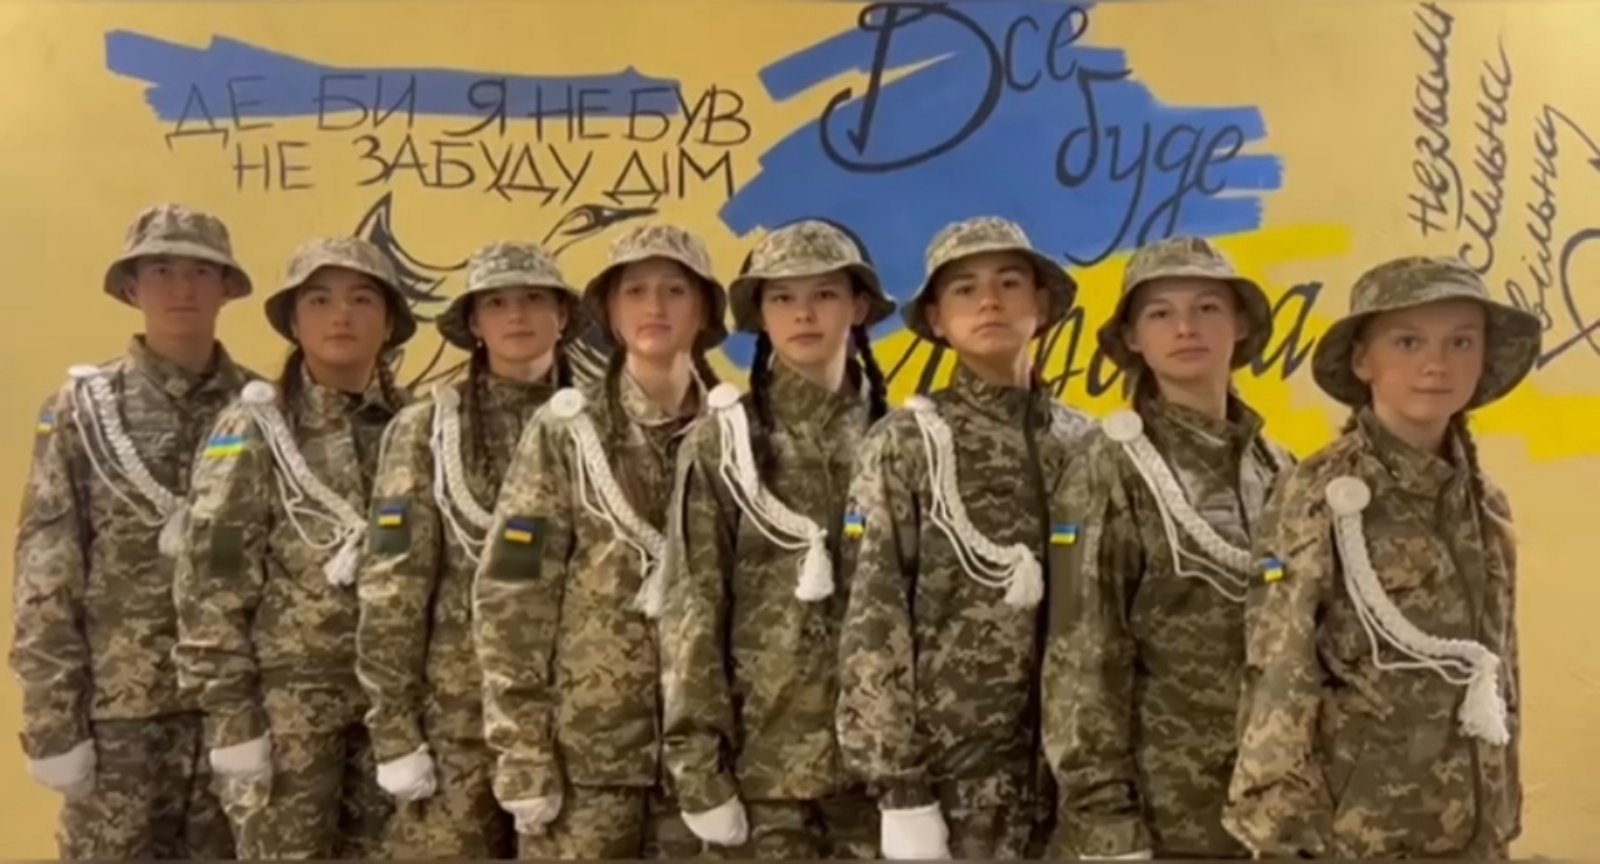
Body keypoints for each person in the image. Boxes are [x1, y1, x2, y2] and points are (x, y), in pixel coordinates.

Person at [1223, 255, 1537, 859]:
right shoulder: (1319, 493)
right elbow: (1280, 667)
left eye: (1460, 342)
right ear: (1363, 361)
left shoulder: (1484, 502)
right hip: (1361, 837)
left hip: (1473, 830)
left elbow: (1500, 669)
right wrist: (1280, 832)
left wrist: (1502, 812)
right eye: (1408, 341)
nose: (1435, 363)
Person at [836, 216, 1092, 860]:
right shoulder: (907, 443)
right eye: (965, 289)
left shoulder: (1085, 445)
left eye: (1009, 283)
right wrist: (900, 786)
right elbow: (872, 617)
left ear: (1040, 306)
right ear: (938, 319)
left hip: (1075, 784)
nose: (989, 301)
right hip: (955, 783)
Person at [473, 224, 726, 859]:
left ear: (703, 311)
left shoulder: (738, 434)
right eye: (635, 291)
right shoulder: (565, 431)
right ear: (610, 313)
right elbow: (512, 596)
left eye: (675, 290)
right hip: (586, 758)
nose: (655, 306)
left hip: (709, 767)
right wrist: (522, 750)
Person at [10, 203, 252, 859]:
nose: (182, 288)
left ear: (226, 288)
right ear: (131, 288)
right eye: (161, 270)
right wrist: (53, 721)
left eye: (201, 271)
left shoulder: (262, 408)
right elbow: (46, 569)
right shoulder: (84, 409)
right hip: (119, 714)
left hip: (233, 714)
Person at [1041, 236, 1294, 860]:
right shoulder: (1106, 467)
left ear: (1240, 324)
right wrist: (1106, 822)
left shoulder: (1280, 468)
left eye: (1208, 307)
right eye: (1160, 313)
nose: (1186, 328)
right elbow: (1080, 652)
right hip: (1162, 823)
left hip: (1273, 820)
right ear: (1132, 337)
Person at [659, 220, 896, 859]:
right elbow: (691, 608)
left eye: (824, 294)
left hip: (880, 776)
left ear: (859, 307)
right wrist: (698, 769)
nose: (804, 314)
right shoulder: (725, 441)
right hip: (763, 771)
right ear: (761, 316)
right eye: (783, 298)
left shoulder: (900, 441)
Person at [174, 237, 416, 859]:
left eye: (362, 300)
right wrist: (233, 718)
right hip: (288, 708)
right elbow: (214, 576)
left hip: (396, 707)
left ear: (389, 322)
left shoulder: (416, 427)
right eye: (320, 300)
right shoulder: (255, 426)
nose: (341, 316)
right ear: (292, 320)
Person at [356, 241, 580, 858]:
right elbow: (393, 584)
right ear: (474, 322)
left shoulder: (596, 423)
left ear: (562, 314)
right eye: (497, 303)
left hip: (574, 720)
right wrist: (394, 727)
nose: (517, 315)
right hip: (457, 720)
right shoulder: (428, 427)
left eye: (533, 299)